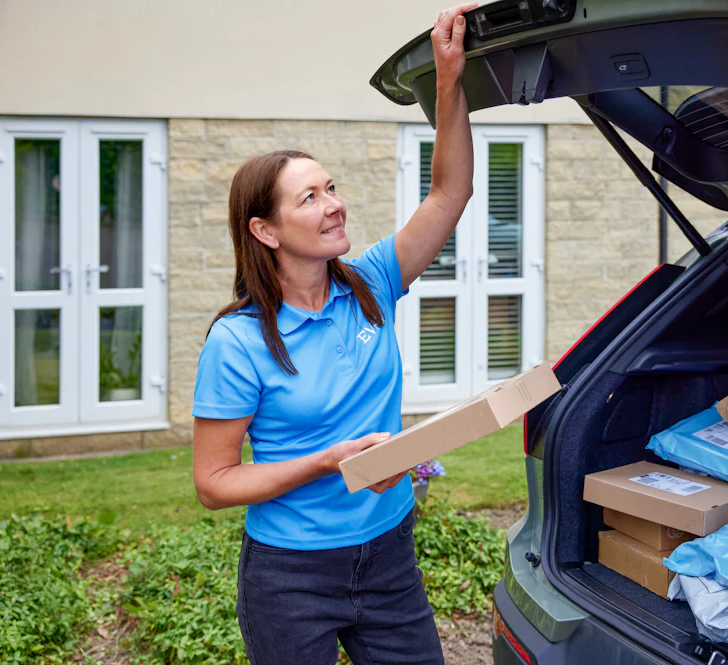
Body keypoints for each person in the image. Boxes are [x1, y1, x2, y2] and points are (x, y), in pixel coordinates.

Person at [190, 4, 477, 663]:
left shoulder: (370, 282)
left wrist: (449, 80)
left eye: (331, 186)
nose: (334, 203)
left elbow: (451, 191)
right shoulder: (238, 342)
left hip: (388, 554)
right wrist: (330, 460)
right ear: (266, 229)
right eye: (309, 197)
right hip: (290, 575)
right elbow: (214, 482)